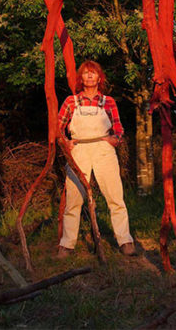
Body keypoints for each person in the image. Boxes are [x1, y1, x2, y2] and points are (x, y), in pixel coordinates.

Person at [56, 60, 136, 258]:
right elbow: (57, 127)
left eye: (93, 73)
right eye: (86, 73)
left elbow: (118, 128)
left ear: (100, 78)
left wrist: (114, 139)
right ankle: (67, 244)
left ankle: (125, 240)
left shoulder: (108, 102)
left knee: (115, 197)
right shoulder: (71, 101)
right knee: (74, 199)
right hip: (79, 150)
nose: (90, 76)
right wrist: (65, 142)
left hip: (103, 149)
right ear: (81, 78)